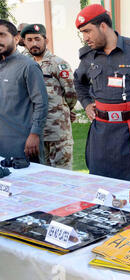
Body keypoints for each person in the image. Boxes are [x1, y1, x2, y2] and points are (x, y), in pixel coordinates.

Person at [73, 4, 130, 183]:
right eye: (82, 33)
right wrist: (86, 103)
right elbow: (79, 82)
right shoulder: (88, 57)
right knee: (102, 186)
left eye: (88, 31)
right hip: (102, 136)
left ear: (103, 26)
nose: (85, 38)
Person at [22, 24, 78, 170]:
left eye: (37, 39)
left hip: (57, 131)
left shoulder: (58, 64)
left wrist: (65, 109)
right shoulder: (24, 65)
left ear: (45, 40)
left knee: (62, 174)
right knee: (39, 174)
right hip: (34, 132)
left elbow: (71, 92)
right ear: (24, 42)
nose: (34, 43)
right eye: (29, 40)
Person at [0, 20, 48, 162]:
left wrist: (35, 134)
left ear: (16, 38)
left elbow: (41, 103)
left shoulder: (28, 66)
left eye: (2, 35)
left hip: (22, 143)